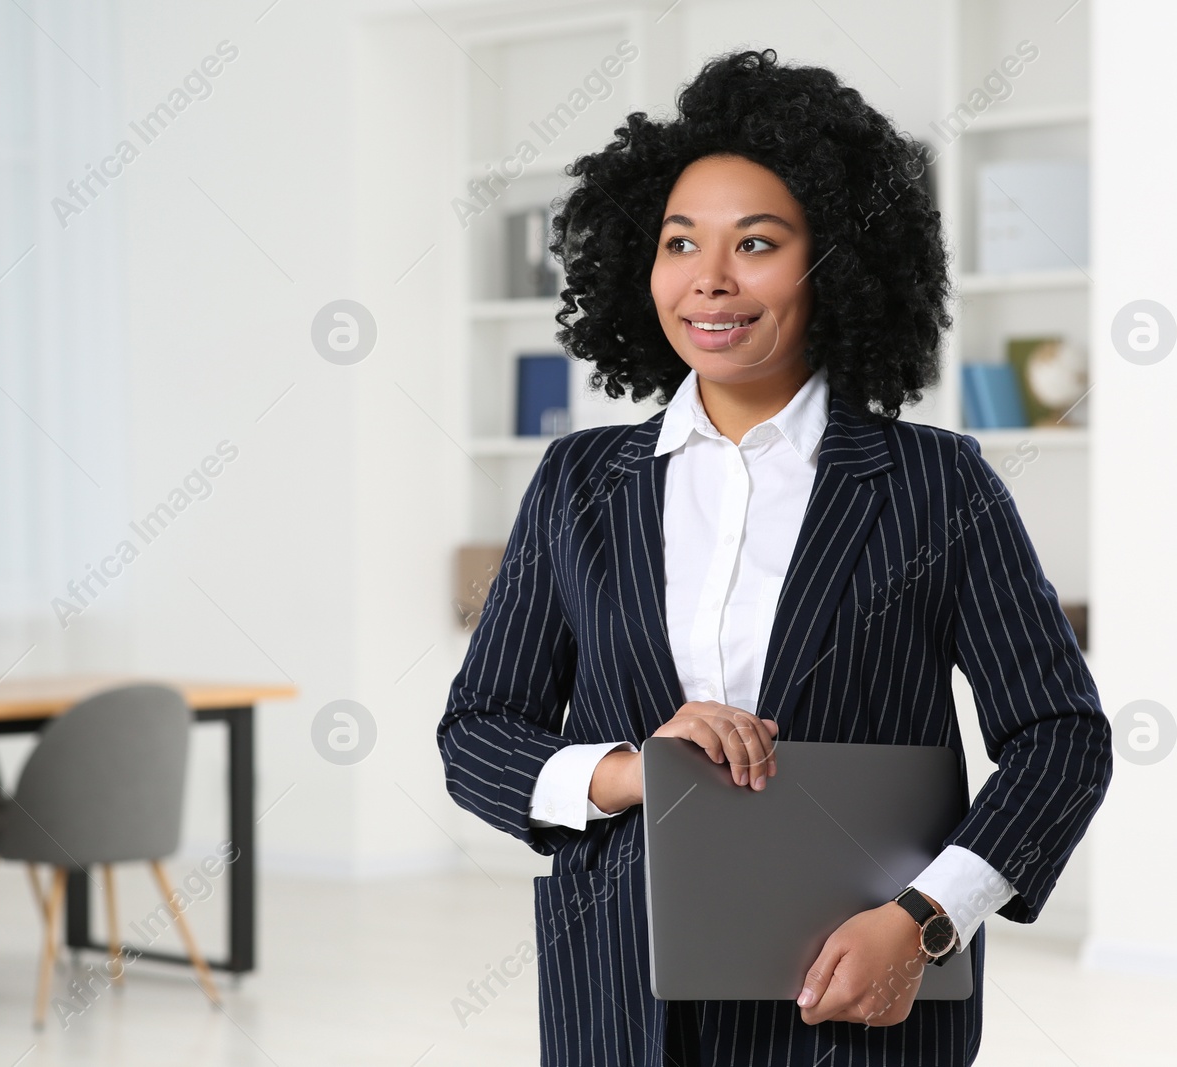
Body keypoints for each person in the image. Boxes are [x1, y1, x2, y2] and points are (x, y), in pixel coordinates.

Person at [436, 48, 1111, 1067]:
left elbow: (1061, 735)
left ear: (836, 259)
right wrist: (629, 770)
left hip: (855, 995)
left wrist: (928, 919)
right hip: (619, 999)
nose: (709, 278)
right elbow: (479, 733)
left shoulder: (937, 483)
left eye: (756, 242)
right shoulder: (578, 483)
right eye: (678, 243)